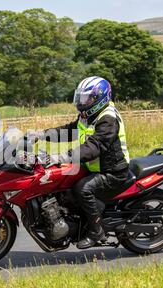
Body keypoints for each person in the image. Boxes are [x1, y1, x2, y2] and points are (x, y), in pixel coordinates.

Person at [33, 76, 130, 249]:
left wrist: (60, 157)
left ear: (100, 98)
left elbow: (94, 147)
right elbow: (69, 131)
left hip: (113, 171)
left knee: (83, 189)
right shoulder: (88, 116)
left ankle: (96, 231)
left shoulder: (108, 119)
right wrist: (41, 135)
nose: (83, 101)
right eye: (81, 97)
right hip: (94, 167)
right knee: (64, 184)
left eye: (88, 98)